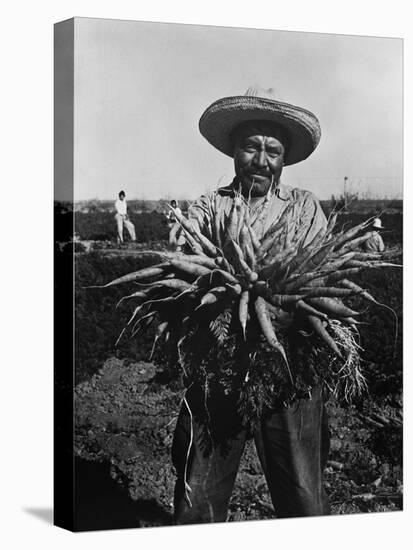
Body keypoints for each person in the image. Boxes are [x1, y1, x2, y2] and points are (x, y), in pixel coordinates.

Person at [171, 87, 330, 524]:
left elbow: (320, 279)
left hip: (290, 368)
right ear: (234, 151)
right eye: (250, 147)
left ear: (284, 157)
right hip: (217, 367)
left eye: (272, 150)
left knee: (302, 494)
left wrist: (288, 311)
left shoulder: (303, 207)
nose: (261, 160)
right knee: (197, 494)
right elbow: (190, 276)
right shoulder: (209, 207)